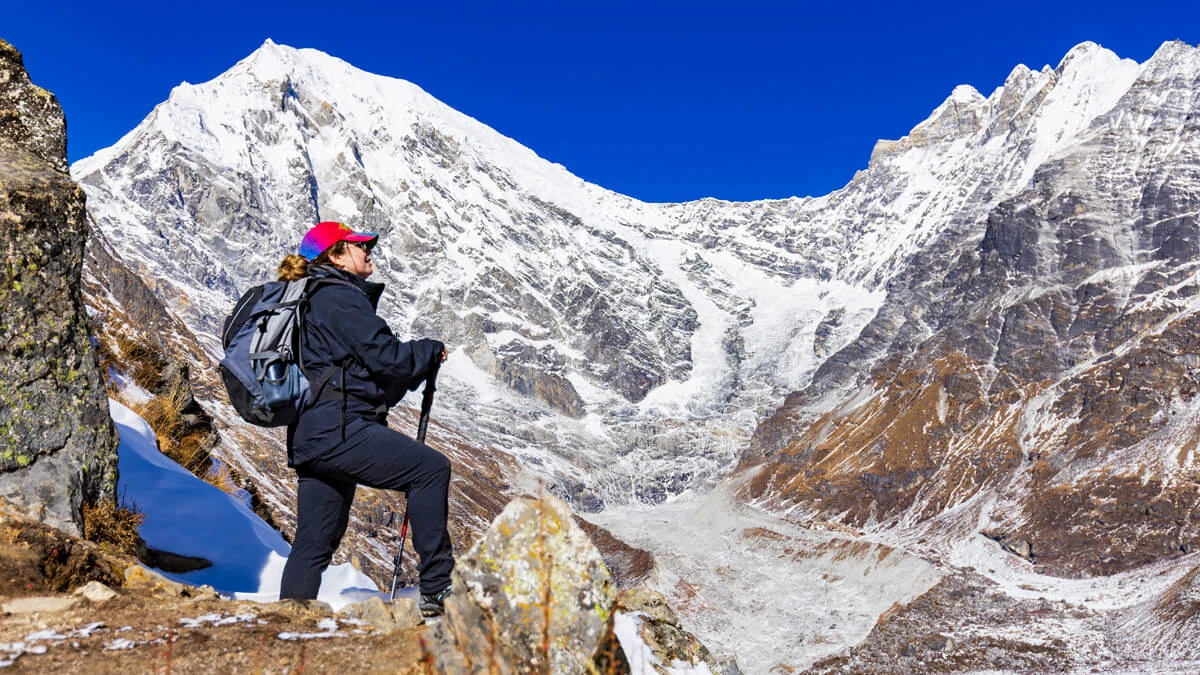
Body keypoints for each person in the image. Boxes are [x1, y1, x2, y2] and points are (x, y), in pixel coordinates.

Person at [275, 220, 454, 616]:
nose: (367, 248)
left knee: (315, 541)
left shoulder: (310, 297)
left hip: (312, 435)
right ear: (335, 255)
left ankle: (287, 626)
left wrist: (414, 366)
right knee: (430, 469)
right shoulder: (338, 297)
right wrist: (426, 351)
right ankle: (438, 591)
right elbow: (388, 358)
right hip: (340, 430)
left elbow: (370, 377)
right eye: (357, 245)